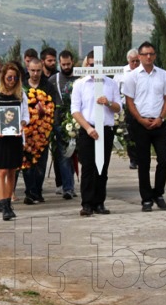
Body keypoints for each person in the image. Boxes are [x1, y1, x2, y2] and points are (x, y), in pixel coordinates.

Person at [123, 41, 166, 212]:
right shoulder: (132, 76)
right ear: (139, 56)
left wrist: (161, 117)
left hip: (159, 123)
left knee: (164, 158)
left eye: (151, 54)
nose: (148, 57)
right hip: (141, 124)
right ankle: (146, 198)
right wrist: (139, 119)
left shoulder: (162, 75)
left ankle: (158, 193)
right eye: (145, 54)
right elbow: (129, 100)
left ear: (154, 56)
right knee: (143, 162)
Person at [71, 50, 121, 217]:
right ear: (87, 65)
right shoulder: (80, 84)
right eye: (91, 65)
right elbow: (75, 110)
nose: (94, 68)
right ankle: (86, 204)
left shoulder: (111, 83)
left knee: (102, 167)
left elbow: (118, 107)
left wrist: (108, 102)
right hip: (88, 130)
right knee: (87, 167)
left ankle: (99, 202)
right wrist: (88, 128)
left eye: (97, 65)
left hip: (105, 130)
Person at [0, 62, 30, 221]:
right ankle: (3, 204)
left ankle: (9, 203)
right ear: (3, 77)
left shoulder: (21, 94)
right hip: (0, 137)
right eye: (9, 77)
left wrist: (22, 124)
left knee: (12, 171)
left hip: (15, 137)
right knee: (1, 170)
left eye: (15, 78)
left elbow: (26, 116)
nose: (11, 80)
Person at [22, 58, 56, 205]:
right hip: (27, 131)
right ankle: (30, 191)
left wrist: (45, 113)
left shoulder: (48, 86)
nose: (35, 73)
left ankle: (38, 191)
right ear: (28, 69)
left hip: (43, 131)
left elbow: (54, 107)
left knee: (40, 164)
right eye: (33, 70)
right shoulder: (22, 86)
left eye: (38, 70)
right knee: (27, 162)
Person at [50, 50, 79, 199]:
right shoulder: (53, 79)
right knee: (64, 156)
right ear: (59, 63)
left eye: (68, 64)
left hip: (79, 122)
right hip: (60, 123)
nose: (66, 67)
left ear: (72, 62)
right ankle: (68, 187)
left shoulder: (80, 78)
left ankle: (75, 184)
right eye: (63, 64)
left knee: (77, 155)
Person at [113, 48, 141, 169]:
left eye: (137, 61)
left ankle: (141, 157)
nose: (135, 64)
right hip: (127, 106)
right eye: (132, 61)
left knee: (141, 134)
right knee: (129, 134)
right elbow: (115, 89)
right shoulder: (121, 72)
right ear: (128, 60)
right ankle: (133, 159)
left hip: (141, 106)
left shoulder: (143, 71)